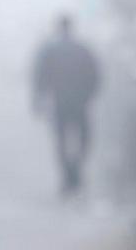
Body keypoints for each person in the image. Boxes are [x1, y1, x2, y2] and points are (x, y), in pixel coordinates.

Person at [32, 15, 101, 195]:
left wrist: (38, 100)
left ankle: (67, 176)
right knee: (84, 139)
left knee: (61, 141)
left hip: (60, 103)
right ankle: (75, 170)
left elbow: (40, 77)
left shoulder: (50, 51)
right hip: (80, 103)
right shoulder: (83, 50)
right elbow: (95, 75)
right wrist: (89, 96)